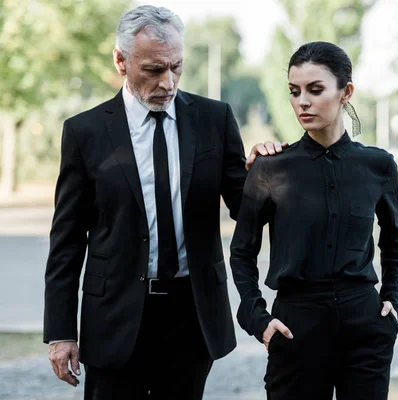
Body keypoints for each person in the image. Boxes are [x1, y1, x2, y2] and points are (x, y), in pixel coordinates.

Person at [44, 5, 283, 399]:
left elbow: (245, 210)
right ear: (121, 61)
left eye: (176, 66)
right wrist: (60, 332)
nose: (168, 82)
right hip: (114, 317)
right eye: (154, 70)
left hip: (191, 314)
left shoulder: (214, 119)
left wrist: (265, 175)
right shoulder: (84, 132)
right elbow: (66, 241)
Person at [230, 41, 398, 399]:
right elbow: (241, 252)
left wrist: (393, 298)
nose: (303, 101)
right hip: (295, 326)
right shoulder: (270, 167)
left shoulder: (379, 165)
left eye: (315, 90)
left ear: (346, 93)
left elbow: (395, 242)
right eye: (294, 92)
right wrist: (258, 320)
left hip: (365, 324)